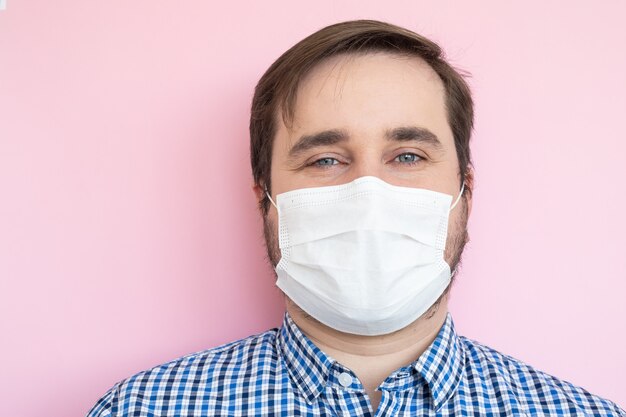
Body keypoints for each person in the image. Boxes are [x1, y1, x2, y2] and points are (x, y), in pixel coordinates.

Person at [87, 20, 625, 417]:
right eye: (325, 160)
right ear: (264, 201)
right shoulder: (142, 407)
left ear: (466, 192)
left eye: (408, 156)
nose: (369, 193)